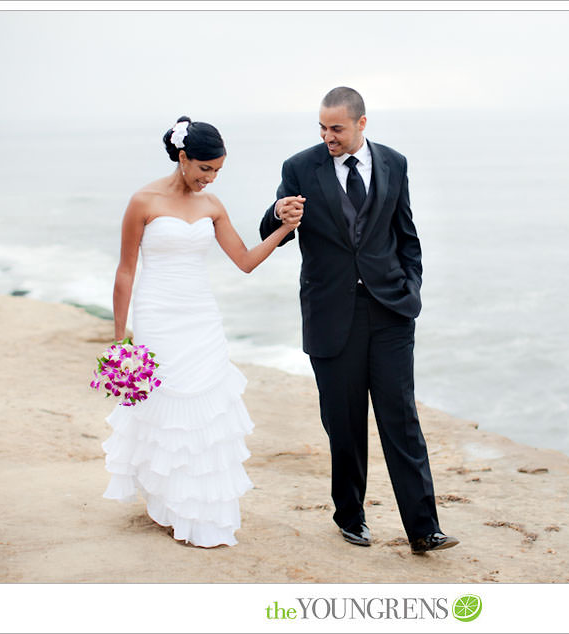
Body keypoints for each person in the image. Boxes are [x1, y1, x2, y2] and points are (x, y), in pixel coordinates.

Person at [259, 87, 458, 554]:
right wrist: (278, 214)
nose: (328, 136)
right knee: (345, 426)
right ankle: (350, 516)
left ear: (361, 124)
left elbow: (406, 234)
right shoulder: (299, 167)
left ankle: (423, 529)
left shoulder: (394, 163)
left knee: (402, 420)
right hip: (332, 316)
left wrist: (411, 289)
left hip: (390, 312)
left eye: (337, 128)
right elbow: (272, 232)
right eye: (323, 128)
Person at [102, 116, 300, 548]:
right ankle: (166, 502)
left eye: (217, 172)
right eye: (204, 169)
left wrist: (285, 229)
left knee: (206, 410)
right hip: (157, 315)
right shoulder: (143, 201)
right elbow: (125, 271)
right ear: (183, 157)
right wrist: (121, 339)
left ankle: (200, 509)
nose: (209, 179)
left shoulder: (212, 207)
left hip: (200, 318)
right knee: (164, 410)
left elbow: (245, 261)